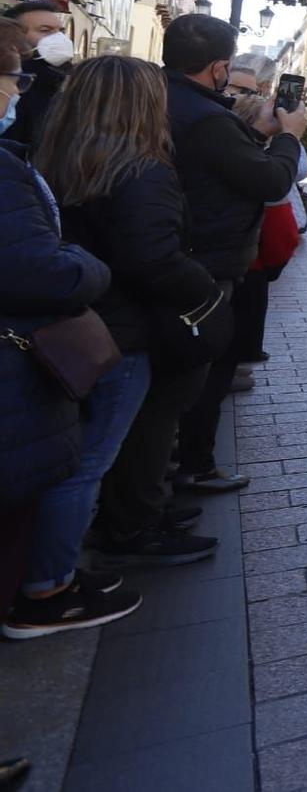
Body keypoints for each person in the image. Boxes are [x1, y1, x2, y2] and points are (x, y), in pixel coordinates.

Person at [16, 57, 229, 618]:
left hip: (66, 327)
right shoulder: (141, 169)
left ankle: (53, 567)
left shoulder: (46, 158)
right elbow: (151, 256)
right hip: (120, 332)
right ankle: (49, 589)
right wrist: (206, 292)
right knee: (87, 462)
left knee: (66, 453)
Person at [0, 19, 129, 637]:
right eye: (14, 76)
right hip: (39, 346)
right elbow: (44, 269)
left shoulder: (38, 147)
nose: (19, 89)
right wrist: (84, 264)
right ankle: (45, 588)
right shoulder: (11, 167)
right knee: (76, 463)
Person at [163, 15, 304, 494]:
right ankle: (190, 467)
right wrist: (288, 137)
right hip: (206, 260)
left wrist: (260, 136)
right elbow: (268, 182)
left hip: (186, 252)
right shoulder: (207, 119)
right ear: (219, 67)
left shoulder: (168, 101)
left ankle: (168, 469)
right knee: (202, 372)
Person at [0, 0, 74, 149]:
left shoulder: (66, 84)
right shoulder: (10, 87)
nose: (58, 38)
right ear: (16, 37)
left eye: (61, 31)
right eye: (45, 30)